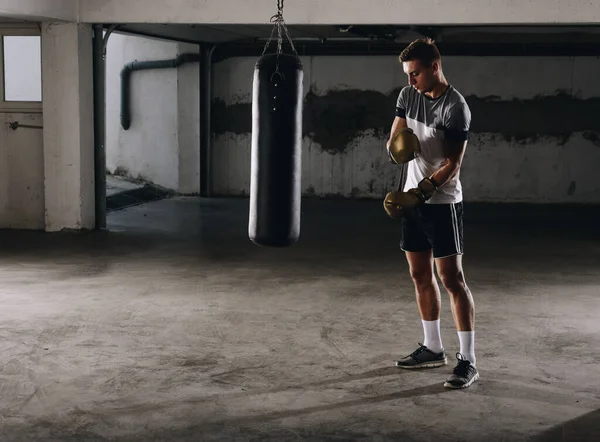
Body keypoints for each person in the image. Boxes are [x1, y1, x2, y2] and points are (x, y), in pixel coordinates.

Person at [385, 38, 478, 389]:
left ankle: (468, 360)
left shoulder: (457, 107)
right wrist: (397, 150)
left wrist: (421, 192)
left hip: (442, 203)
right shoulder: (407, 96)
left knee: (452, 279)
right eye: (408, 74)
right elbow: (395, 140)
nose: (411, 81)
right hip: (413, 200)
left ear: (434, 68)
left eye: (416, 74)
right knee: (419, 275)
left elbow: (453, 164)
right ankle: (433, 347)